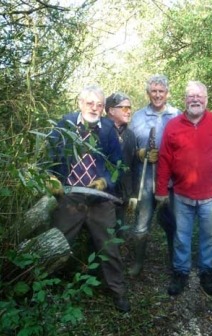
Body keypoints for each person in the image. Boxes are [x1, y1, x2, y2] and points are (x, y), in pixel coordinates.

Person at [46, 85, 130, 313]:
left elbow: (118, 166)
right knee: (57, 243)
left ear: (104, 108)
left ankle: (118, 291)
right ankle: (41, 290)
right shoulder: (65, 125)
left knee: (110, 247)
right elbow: (48, 157)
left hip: (99, 199)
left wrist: (105, 181)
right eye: (90, 103)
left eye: (99, 105)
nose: (95, 108)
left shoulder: (108, 131)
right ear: (80, 103)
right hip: (69, 197)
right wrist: (51, 177)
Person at [155, 80, 212, 296]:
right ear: (184, 100)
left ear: (206, 99)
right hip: (182, 194)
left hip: (210, 195)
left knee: (208, 237)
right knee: (181, 237)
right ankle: (181, 272)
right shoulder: (173, 125)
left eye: (199, 96)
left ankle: (206, 272)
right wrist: (160, 190)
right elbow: (165, 159)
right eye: (190, 96)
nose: (195, 100)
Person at [128, 74, 181, 276]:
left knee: (174, 223)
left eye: (161, 91)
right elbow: (129, 147)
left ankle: (176, 264)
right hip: (146, 180)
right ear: (148, 93)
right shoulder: (139, 117)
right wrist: (140, 153)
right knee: (141, 225)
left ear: (167, 93)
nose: (157, 95)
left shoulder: (177, 115)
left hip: (172, 181)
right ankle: (138, 263)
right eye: (154, 91)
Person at [105, 92, 137, 236]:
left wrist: (133, 194)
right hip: (102, 194)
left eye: (129, 107)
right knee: (103, 234)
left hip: (122, 195)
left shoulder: (130, 135)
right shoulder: (99, 131)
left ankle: (116, 257)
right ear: (111, 110)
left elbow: (133, 166)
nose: (129, 111)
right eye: (124, 108)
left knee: (119, 232)